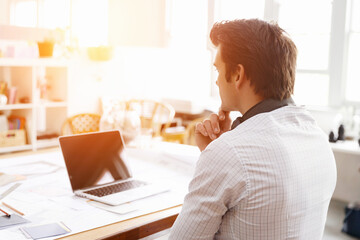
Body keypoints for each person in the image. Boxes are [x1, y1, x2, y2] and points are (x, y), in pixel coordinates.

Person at [169, 19, 337, 239]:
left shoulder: (229, 154)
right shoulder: (318, 139)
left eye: (218, 70)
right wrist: (218, 149)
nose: (217, 82)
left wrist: (219, 153)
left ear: (237, 75)